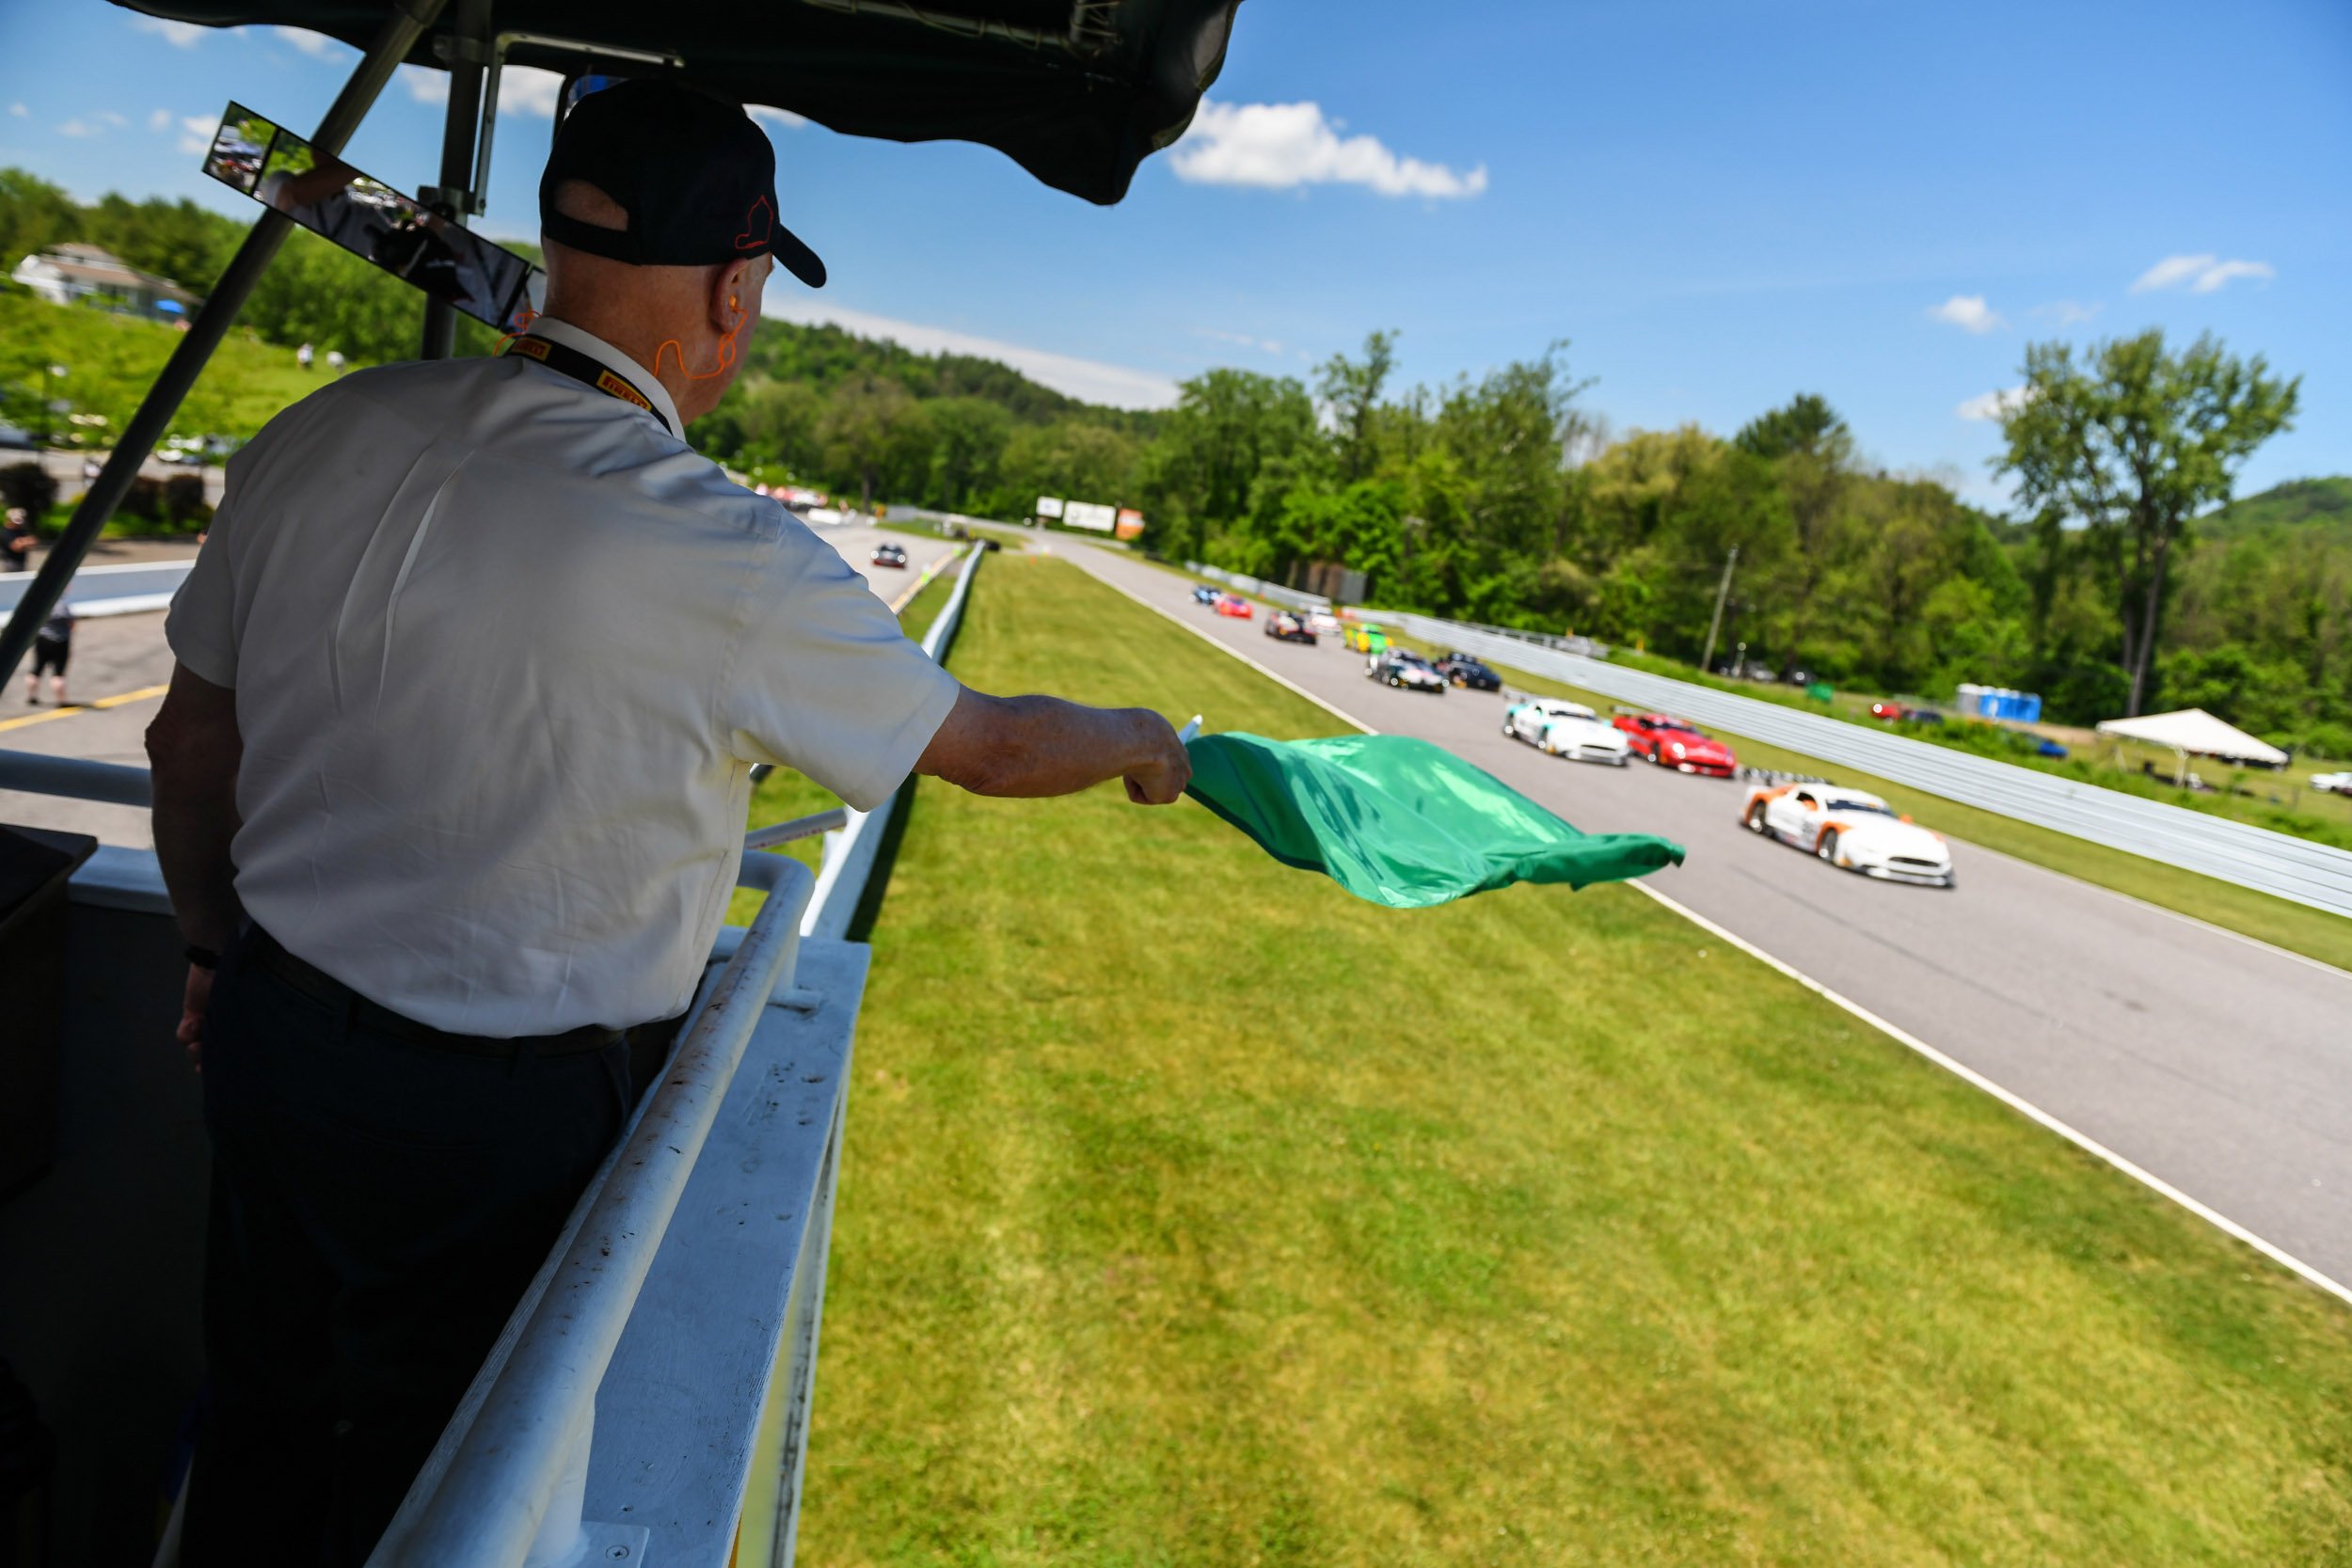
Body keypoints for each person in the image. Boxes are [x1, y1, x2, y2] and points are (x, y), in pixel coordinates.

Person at [145, 78, 1188, 1565]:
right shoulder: (734, 554)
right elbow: (995, 744)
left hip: (267, 1037)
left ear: (561, 241)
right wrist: (1151, 742)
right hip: (496, 1121)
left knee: (257, 1417)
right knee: (430, 1482)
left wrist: (204, 947)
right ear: (736, 285)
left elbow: (189, 743)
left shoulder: (329, 425)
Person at [26, 602, 71, 705]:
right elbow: (71, 624)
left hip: (42, 640)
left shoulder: (41, 606)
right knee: (58, 674)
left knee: (36, 670)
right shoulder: (62, 606)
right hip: (60, 642)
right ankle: (62, 701)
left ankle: (31, 696)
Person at [0, 507, 31, 573]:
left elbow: (33, 541)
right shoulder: (5, 533)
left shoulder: (21, 531)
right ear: (9, 520)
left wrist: (21, 542)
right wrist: (24, 542)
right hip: (11, 564)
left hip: (21, 562)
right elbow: (16, 547)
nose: (18, 524)